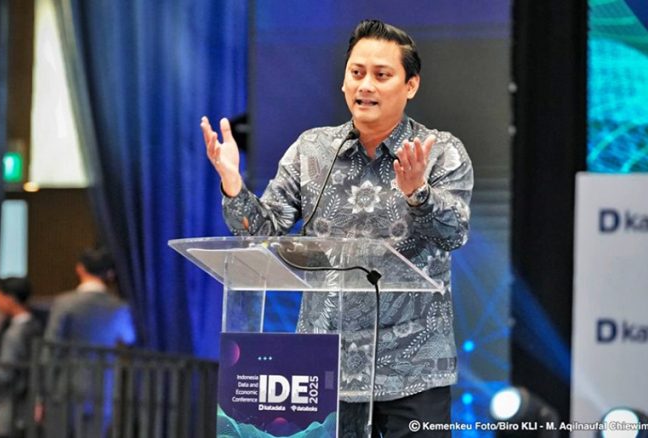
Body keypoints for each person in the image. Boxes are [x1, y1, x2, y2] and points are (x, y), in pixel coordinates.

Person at [201, 19, 473, 437]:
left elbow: (454, 234)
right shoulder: (312, 150)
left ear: (411, 85)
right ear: (344, 81)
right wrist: (233, 184)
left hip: (414, 369)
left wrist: (418, 193)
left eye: (381, 75)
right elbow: (261, 231)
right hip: (325, 366)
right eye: (357, 72)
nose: (366, 85)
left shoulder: (440, 153)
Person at [42, 248, 135, 438]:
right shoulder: (119, 307)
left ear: (80, 268)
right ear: (110, 273)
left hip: (66, 386)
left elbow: (51, 348)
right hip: (104, 387)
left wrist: (42, 392)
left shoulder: (64, 303)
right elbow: (129, 337)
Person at [0, 277, 42, 438]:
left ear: (10, 299)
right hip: (27, 408)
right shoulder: (36, 325)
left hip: (10, 409)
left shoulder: (14, 333)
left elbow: (5, 372)